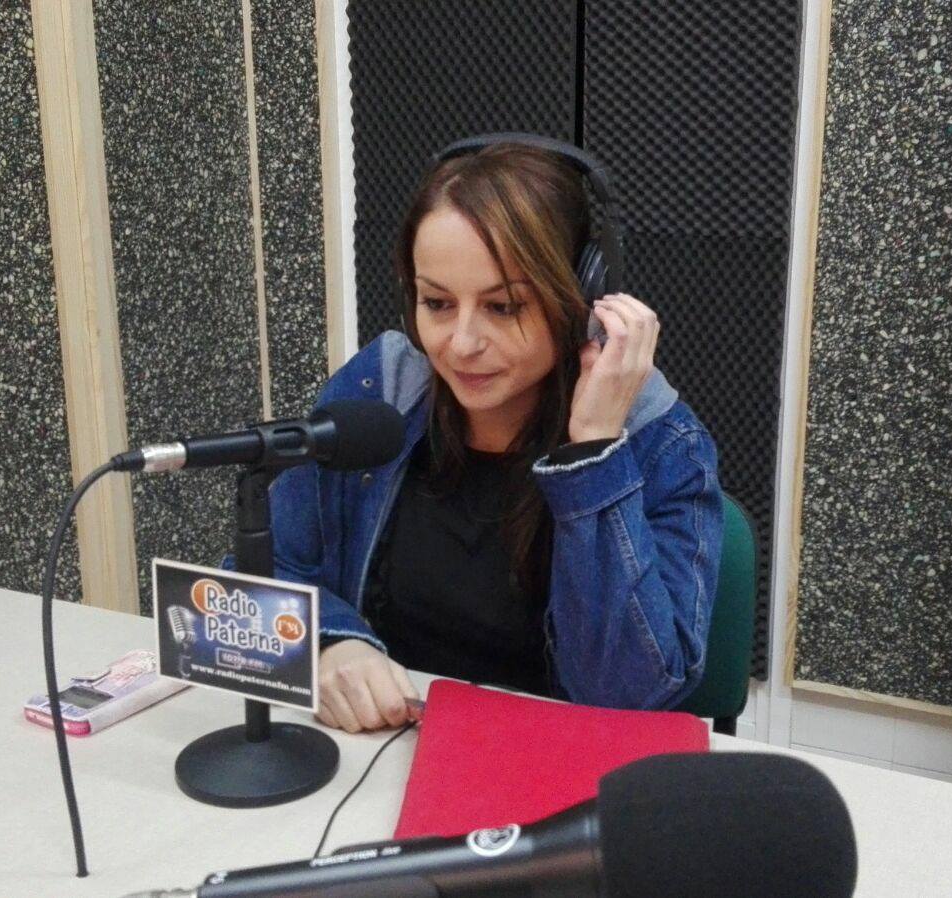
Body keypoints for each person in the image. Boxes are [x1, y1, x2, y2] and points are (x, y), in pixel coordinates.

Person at [269, 141, 723, 733]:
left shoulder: (663, 446)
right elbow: (266, 567)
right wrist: (329, 642)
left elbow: (626, 698)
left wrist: (594, 451)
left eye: (503, 307)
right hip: (381, 749)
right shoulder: (376, 393)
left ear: (581, 300)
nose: (461, 344)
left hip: (552, 761)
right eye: (437, 302)